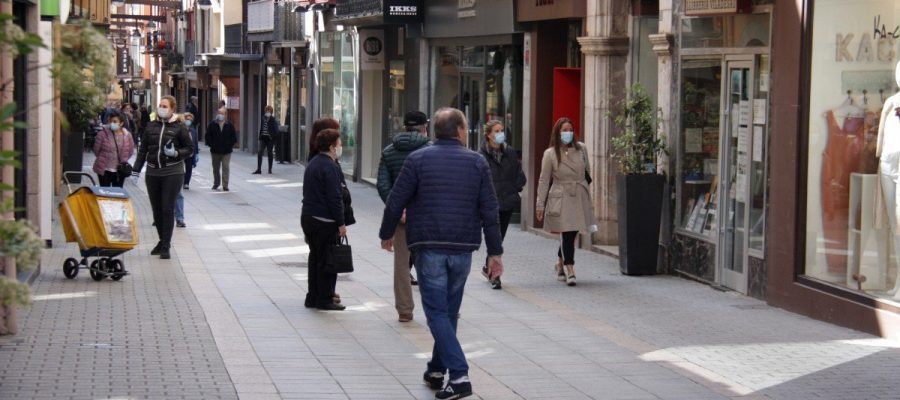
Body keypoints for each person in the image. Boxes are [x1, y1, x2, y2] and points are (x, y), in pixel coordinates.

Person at [379, 108, 503, 399]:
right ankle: (436, 369)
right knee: (448, 312)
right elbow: (490, 209)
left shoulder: (417, 160)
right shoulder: (477, 162)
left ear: (435, 131)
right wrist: (495, 252)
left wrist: (386, 233)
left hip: (429, 245)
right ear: (460, 131)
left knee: (436, 312)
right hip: (462, 248)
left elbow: (396, 199)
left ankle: (459, 375)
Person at [376, 110, 430, 322]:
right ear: (424, 127)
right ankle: (436, 305)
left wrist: (399, 208)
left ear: (405, 127)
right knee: (429, 261)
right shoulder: (430, 150)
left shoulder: (389, 151)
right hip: (426, 216)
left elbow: (382, 184)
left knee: (401, 263)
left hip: (400, 217)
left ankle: (405, 310)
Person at [132, 95, 194, 260]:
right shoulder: (151, 126)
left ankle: (166, 245)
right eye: (160, 105)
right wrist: (136, 170)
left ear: (172, 109)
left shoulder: (179, 127)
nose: (162, 108)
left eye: (165, 106)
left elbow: (190, 149)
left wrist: (176, 153)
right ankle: (161, 240)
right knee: (157, 210)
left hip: (172, 172)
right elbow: (143, 149)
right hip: (152, 172)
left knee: (167, 208)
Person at [535, 117, 595, 286]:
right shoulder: (550, 154)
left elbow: (587, 172)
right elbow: (544, 180)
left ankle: (559, 261)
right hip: (561, 196)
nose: (567, 133)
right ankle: (570, 269)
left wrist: (586, 193)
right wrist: (540, 203)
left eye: (570, 129)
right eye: (564, 130)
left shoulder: (581, 149)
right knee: (567, 233)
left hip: (579, 194)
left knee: (572, 232)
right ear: (557, 132)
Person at [301, 128, 348, 311]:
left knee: (315, 258)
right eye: (339, 143)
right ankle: (324, 298)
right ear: (331, 146)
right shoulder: (330, 166)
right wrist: (341, 223)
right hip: (324, 220)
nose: (340, 146)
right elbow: (334, 197)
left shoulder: (313, 163)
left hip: (309, 217)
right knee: (327, 261)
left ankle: (312, 296)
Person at [479, 120, 526, 290]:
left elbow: (520, 176)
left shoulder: (510, 152)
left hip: (507, 202)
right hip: (490, 204)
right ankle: (495, 275)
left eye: (502, 130)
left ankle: (488, 267)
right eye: (497, 131)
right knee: (495, 238)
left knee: (499, 238)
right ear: (488, 134)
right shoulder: (481, 155)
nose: (500, 134)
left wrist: (512, 189)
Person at [92, 110, 135, 188]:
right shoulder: (102, 134)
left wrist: (123, 159)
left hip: (119, 170)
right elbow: (96, 151)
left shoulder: (127, 135)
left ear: (121, 123)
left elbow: (130, 151)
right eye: (111, 121)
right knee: (105, 193)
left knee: (117, 193)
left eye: (115, 121)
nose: (112, 123)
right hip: (104, 170)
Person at [206, 108, 237, 191]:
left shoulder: (229, 125)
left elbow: (233, 137)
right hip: (215, 151)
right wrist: (212, 145)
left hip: (226, 151)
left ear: (226, 115)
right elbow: (208, 136)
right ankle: (216, 183)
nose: (220, 115)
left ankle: (225, 184)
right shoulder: (212, 124)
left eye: (222, 113)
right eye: (219, 113)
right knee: (216, 168)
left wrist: (229, 146)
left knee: (225, 167)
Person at [253, 105, 279, 174]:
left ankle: (270, 169)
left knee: (269, 153)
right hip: (263, 138)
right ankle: (259, 169)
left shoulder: (273, 119)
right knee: (260, 152)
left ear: (271, 112)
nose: (268, 112)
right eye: (267, 110)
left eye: (269, 111)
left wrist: (272, 137)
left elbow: (275, 130)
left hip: (270, 139)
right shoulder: (263, 118)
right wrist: (260, 136)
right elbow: (261, 128)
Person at [181, 112, 200, 190]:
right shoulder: (180, 129)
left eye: (190, 119)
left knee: (189, 168)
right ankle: (181, 180)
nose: (188, 121)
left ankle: (186, 183)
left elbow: (195, 142)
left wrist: (196, 153)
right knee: (181, 168)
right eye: (187, 119)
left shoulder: (193, 131)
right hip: (181, 152)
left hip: (190, 153)